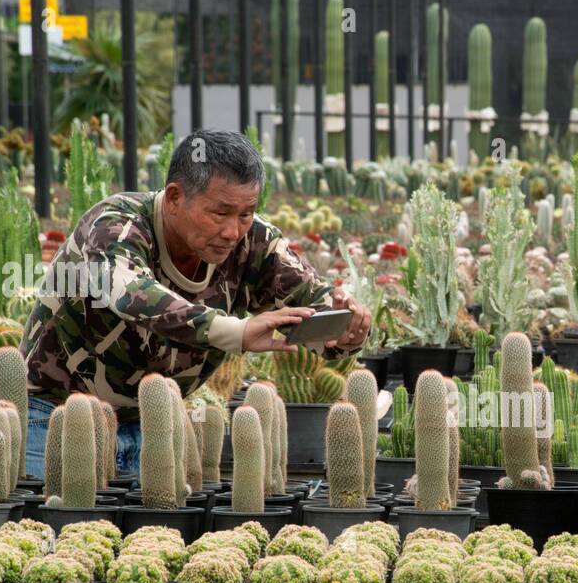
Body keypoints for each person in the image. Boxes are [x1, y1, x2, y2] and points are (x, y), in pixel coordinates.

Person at [20, 128, 370, 477]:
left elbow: (312, 300)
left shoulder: (255, 243)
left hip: (154, 429)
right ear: (174, 197)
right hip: (54, 421)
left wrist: (346, 328)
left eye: (246, 214)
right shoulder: (116, 224)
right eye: (220, 213)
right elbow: (130, 292)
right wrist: (234, 331)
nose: (233, 231)